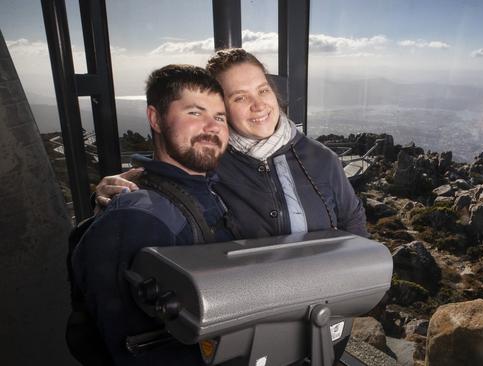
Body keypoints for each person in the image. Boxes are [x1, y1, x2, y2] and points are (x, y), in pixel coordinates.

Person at [96, 48, 368, 239]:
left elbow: (353, 220)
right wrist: (108, 197)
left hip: (324, 308)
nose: (259, 105)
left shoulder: (320, 159)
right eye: (240, 98)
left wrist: (355, 290)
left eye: (262, 90)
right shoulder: (206, 162)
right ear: (221, 109)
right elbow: (165, 188)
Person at [72, 64, 232, 365]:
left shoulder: (214, 190)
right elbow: (136, 348)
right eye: (195, 113)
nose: (212, 127)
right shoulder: (137, 218)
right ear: (155, 118)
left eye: (220, 117)